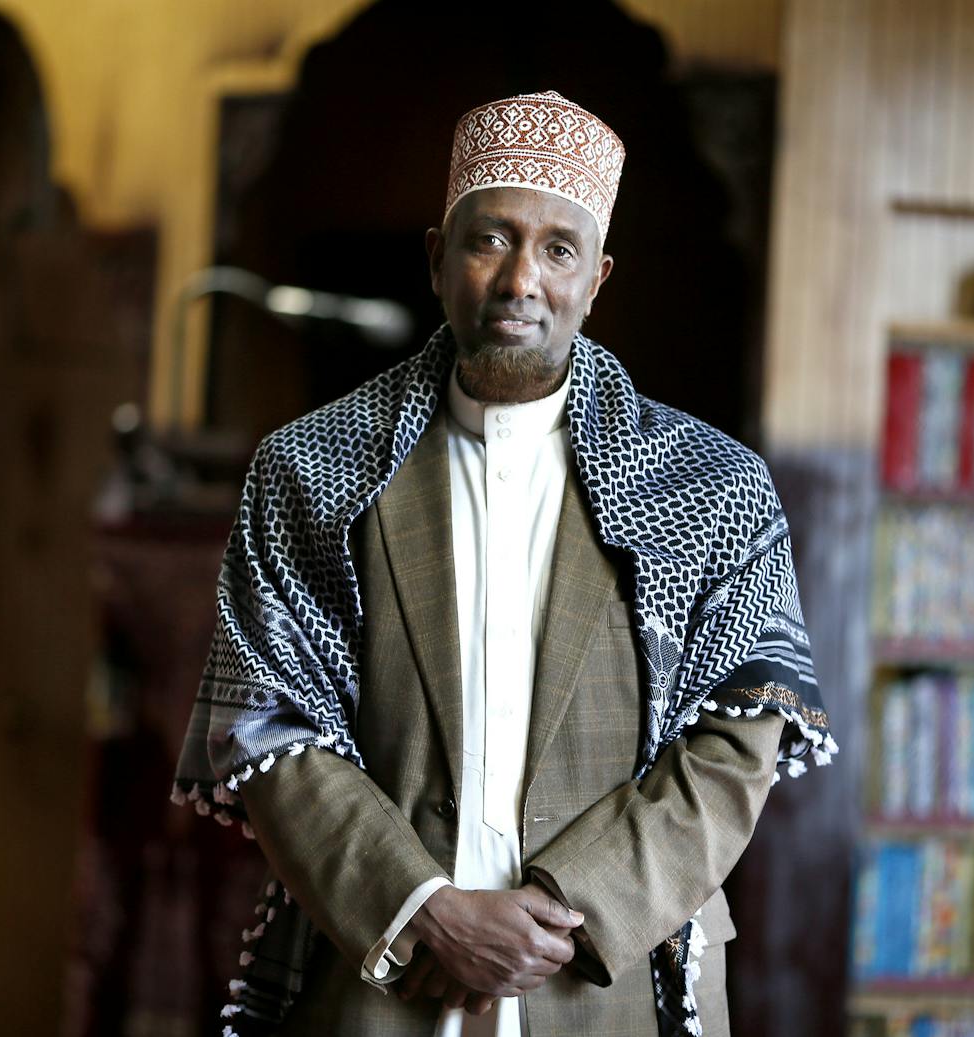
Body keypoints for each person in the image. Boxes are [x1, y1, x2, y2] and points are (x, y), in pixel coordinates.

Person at [173, 91, 835, 1037]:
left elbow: (735, 749)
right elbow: (267, 726)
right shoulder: (312, 472)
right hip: (373, 985)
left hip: (611, 993)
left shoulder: (711, 486)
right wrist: (426, 910)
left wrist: (562, 914)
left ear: (598, 277)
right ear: (438, 254)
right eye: (491, 240)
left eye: (558, 250)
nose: (522, 278)